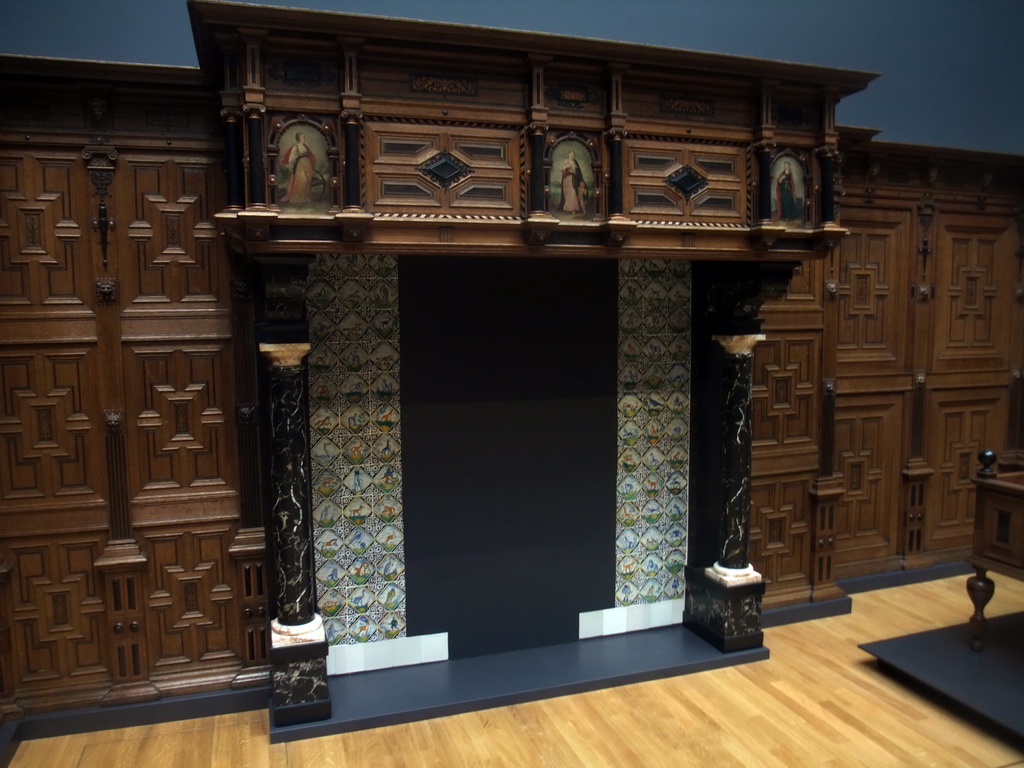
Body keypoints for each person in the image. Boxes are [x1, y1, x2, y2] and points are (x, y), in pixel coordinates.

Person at [280, 131, 316, 204]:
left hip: (307, 164)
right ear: (298, 138)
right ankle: (299, 198)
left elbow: (309, 155)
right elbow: (291, 158)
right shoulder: (295, 147)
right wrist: (297, 157)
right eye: (302, 137)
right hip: (300, 165)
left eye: (303, 137)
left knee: (308, 181)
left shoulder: (305, 146)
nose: (303, 138)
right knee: (302, 181)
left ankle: (305, 197)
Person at [559, 149, 588, 214]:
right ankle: (567, 208)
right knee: (566, 193)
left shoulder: (575, 162)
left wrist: (573, 172)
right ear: (568, 154)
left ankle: (573, 209)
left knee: (572, 193)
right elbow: (561, 170)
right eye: (571, 154)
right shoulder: (565, 161)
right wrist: (566, 169)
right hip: (566, 179)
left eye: (573, 154)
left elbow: (578, 172)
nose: (572, 155)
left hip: (572, 179)